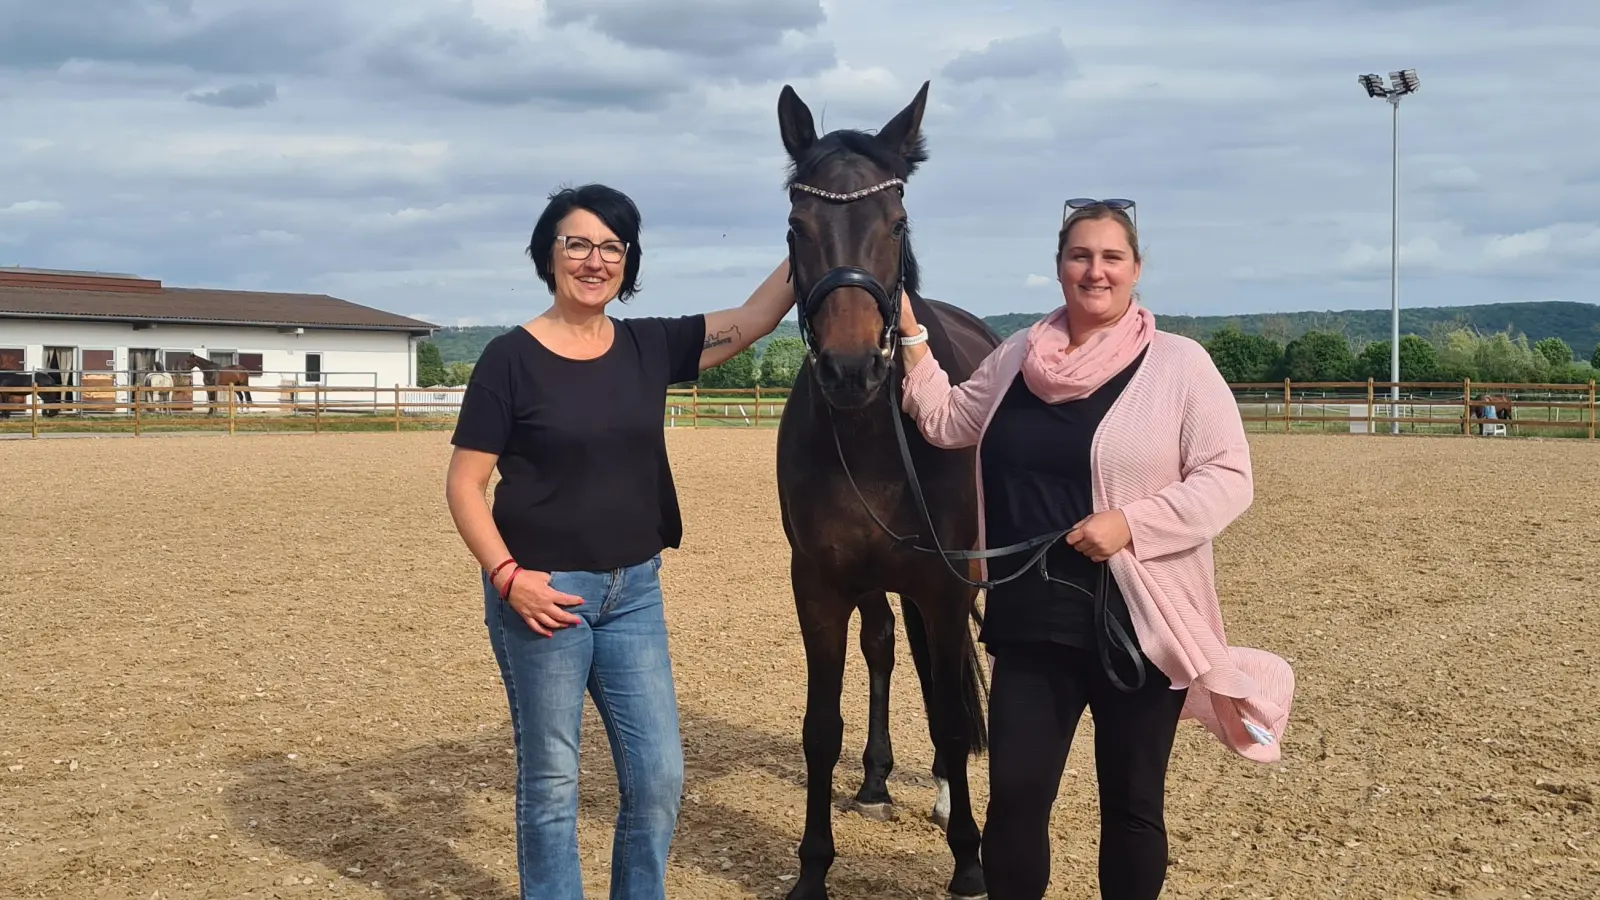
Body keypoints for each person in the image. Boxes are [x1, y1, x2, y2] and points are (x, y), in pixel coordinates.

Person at [891, 200, 1295, 900]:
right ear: (1059, 267)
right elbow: (949, 419)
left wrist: (1133, 523)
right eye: (1081, 256)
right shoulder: (1018, 355)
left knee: (1132, 809)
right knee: (1014, 802)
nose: (1095, 270)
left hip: (1135, 628)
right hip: (1028, 623)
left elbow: (1229, 478)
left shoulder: (1180, 366)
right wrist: (914, 338)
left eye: (1111, 257)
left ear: (1136, 269)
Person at [443, 182, 795, 900]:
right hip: (543, 596)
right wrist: (508, 576)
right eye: (578, 243)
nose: (595, 260)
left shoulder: (647, 345)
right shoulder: (509, 359)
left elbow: (756, 318)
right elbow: (463, 485)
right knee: (552, 779)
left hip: (634, 591)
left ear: (628, 263)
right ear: (549, 255)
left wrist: (826, 227)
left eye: (612, 247)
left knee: (659, 776)